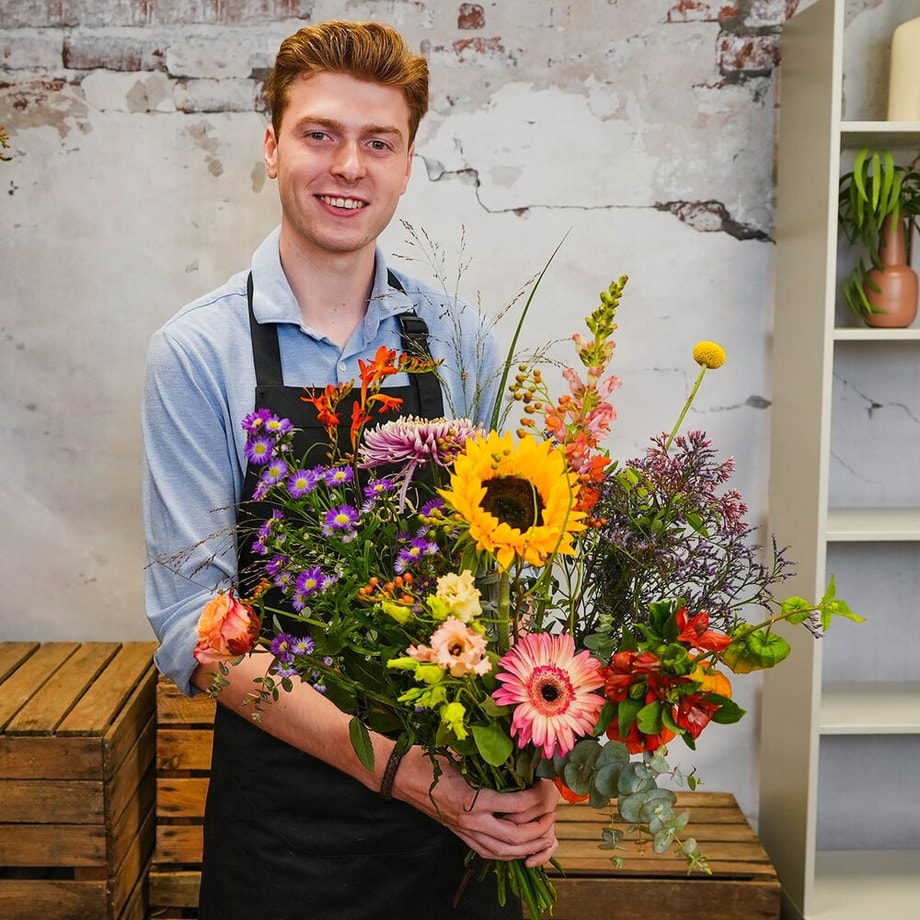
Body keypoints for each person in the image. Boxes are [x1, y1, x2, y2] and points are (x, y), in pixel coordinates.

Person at [142, 20, 559, 920]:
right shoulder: (198, 352)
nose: (349, 167)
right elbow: (192, 629)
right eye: (320, 134)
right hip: (288, 833)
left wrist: (532, 747)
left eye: (379, 142)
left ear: (407, 163)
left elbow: (506, 574)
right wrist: (405, 773)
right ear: (272, 147)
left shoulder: (456, 339)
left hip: (463, 811)